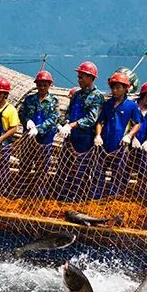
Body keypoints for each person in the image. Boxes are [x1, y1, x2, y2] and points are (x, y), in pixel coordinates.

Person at [58, 61, 105, 200]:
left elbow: (91, 119)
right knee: (65, 166)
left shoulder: (96, 96)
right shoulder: (77, 95)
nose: (78, 80)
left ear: (91, 78)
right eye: (78, 77)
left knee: (81, 168)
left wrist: (72, 125)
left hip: (85, 138)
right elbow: (69, 112)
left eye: (81, 77)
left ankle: (77, 198)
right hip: (70, 137)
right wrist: (65, 123)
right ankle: (62, 196)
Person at [92, 72, 141, 198]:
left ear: (125, 88)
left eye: (118, 87)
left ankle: (116, 199)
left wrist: (129, 136)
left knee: (120, 176)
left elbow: (137, 124)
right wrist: (98, 135)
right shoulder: (107, 104)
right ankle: (97, 198)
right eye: (113, 87)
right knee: (98, 174)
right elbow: (100, 122)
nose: (114, 90)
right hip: (104, 145)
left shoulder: (132, 106)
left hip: (120, 146)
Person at [16, 70, 59, 196]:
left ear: (49, 85)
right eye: (39, 85)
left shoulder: (53, 102)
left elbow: (54, 119)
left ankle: (39, 193)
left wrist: (39, 129)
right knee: (25, 164)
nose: (42, 87)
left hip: (45, 139)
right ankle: (22, 191)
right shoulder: (29, 99)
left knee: (42, 167)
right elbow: (21, 113)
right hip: (29, 138)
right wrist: (27, 121)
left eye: (45, 85)